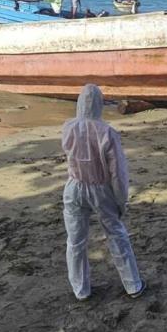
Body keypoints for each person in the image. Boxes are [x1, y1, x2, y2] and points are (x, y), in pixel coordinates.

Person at [61, 84, 144, 301]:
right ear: (99, 104)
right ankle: (133, 285)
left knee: (75, 240)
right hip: (100, 189)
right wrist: (120, 200)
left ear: (79, 103)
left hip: (74, 186)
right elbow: (118, 173)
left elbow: (70, 156)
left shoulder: (68, 127)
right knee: (116, 234)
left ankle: (81, 290)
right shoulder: (107, 132)